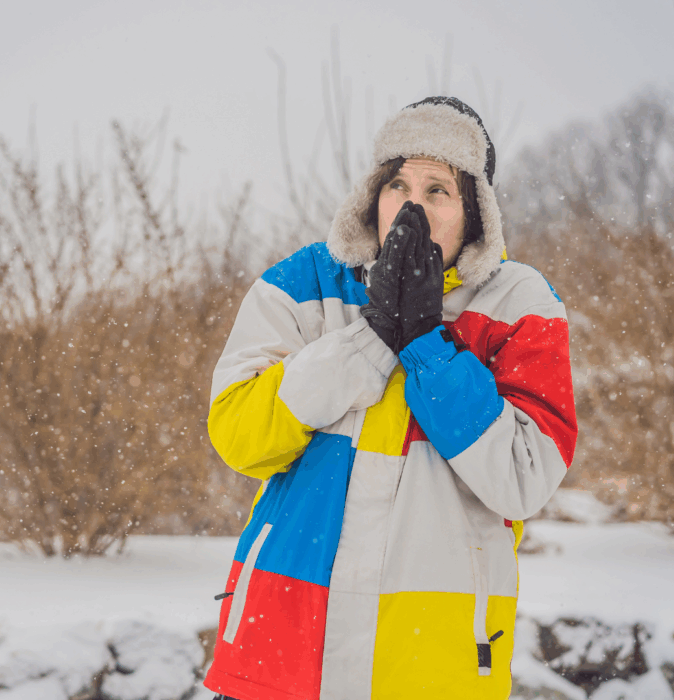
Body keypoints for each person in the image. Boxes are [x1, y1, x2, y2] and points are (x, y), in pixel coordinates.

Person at [202, 96, 577, 700]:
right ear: (371, 195)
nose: (411, 207)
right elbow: (240, 437)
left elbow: (523, 477)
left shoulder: (519, 304)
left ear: (476, 213)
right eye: (398, 183)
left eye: (438, 191)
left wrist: (428, 346)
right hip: (282, 655)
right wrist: (371, 338)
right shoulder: (306, 283)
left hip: (431, 667)